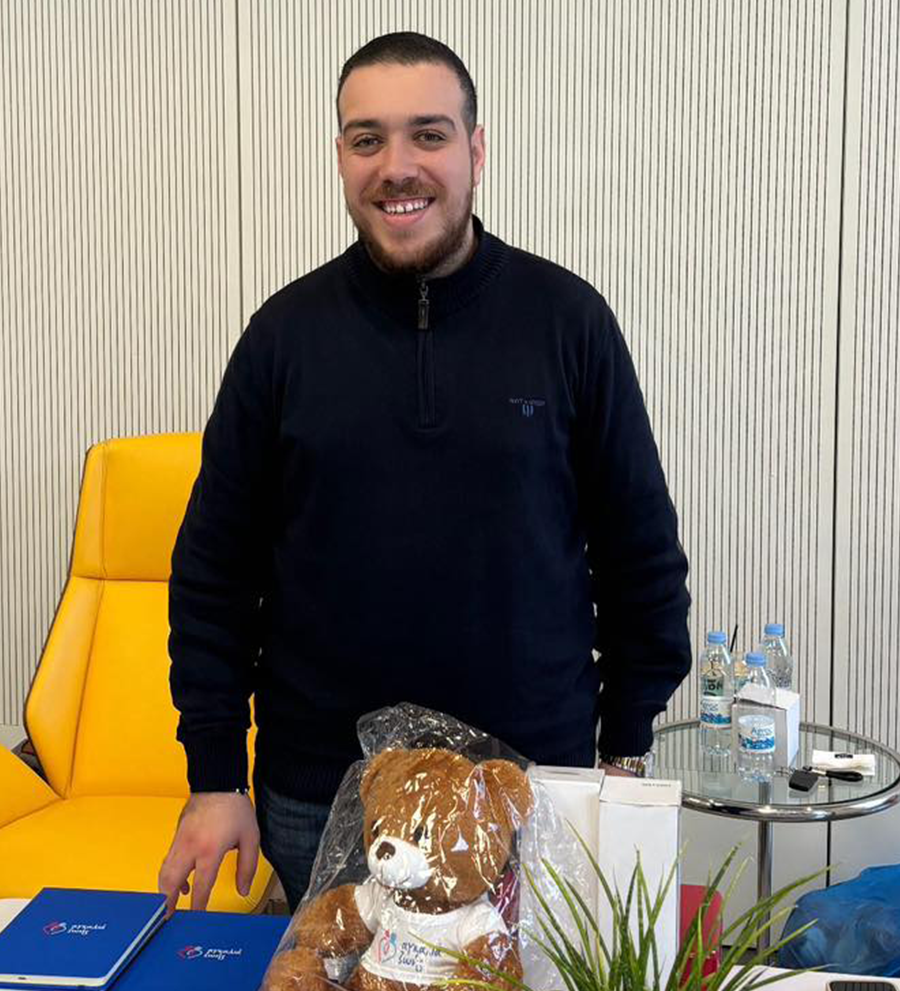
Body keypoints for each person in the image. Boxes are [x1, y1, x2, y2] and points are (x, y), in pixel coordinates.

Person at [159, 32, 691, 916]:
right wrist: (215, 777)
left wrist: (625, 750)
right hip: (321, 798)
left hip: (527, 792)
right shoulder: (282, 338)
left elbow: (642, 561)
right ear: (340, 156)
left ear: (476, 150)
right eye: (367, 139)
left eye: (429, 135)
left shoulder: (569, 323)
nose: (397, 166)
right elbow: (214, 574)